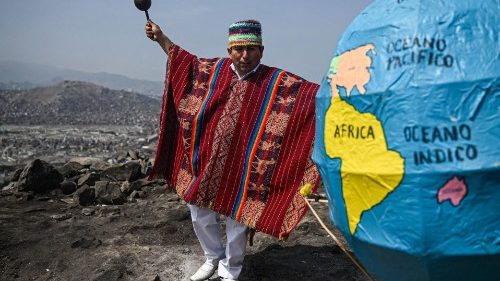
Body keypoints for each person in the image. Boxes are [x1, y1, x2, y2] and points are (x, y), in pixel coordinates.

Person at [146, 19, 320, 281]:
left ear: (261, 50)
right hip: (206, 159)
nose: (245, 55)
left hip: (244, 167)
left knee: (238, 218)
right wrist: (161, 37)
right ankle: (212, 257)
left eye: (251, 49)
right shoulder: (212, 71)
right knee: (198, 209)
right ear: (229, 51)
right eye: (238, 49)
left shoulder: (277, 81)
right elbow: (183, 62)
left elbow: (315, 97)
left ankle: (232, 269)